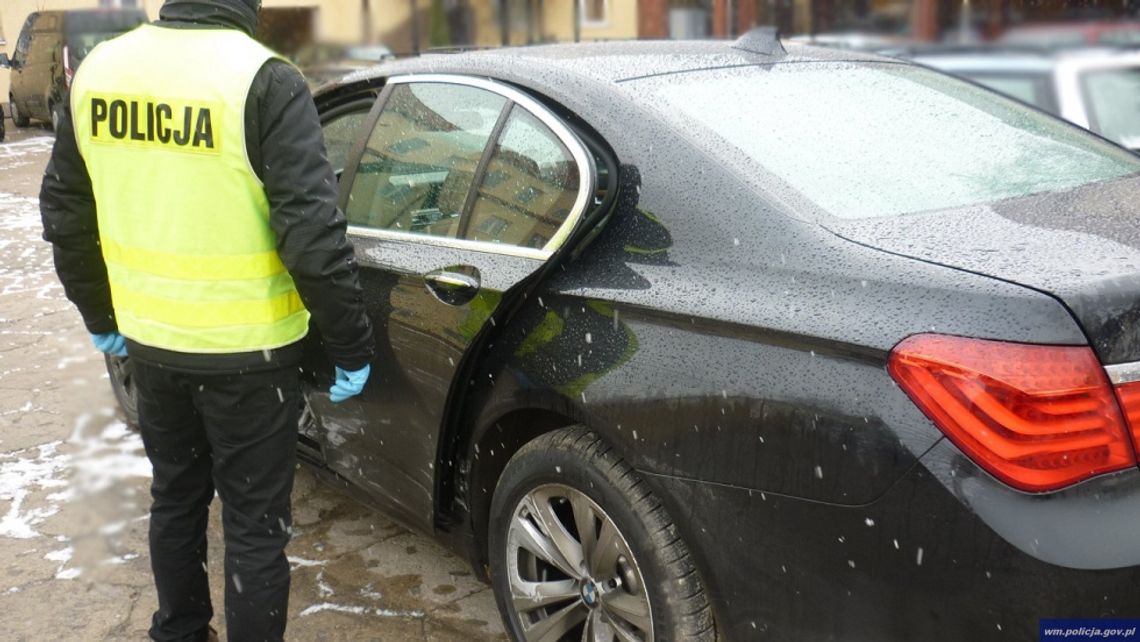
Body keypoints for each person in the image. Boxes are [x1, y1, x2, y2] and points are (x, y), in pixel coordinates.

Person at [39, 0, 374, 639]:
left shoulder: (101, 70)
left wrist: (99, 313)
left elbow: (65, 214)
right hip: (252, 357)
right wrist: (349, 343)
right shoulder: (263, 79)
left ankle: (180, 632)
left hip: (151, 344)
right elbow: (311, 236)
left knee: (176, 500)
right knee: (253, 530)